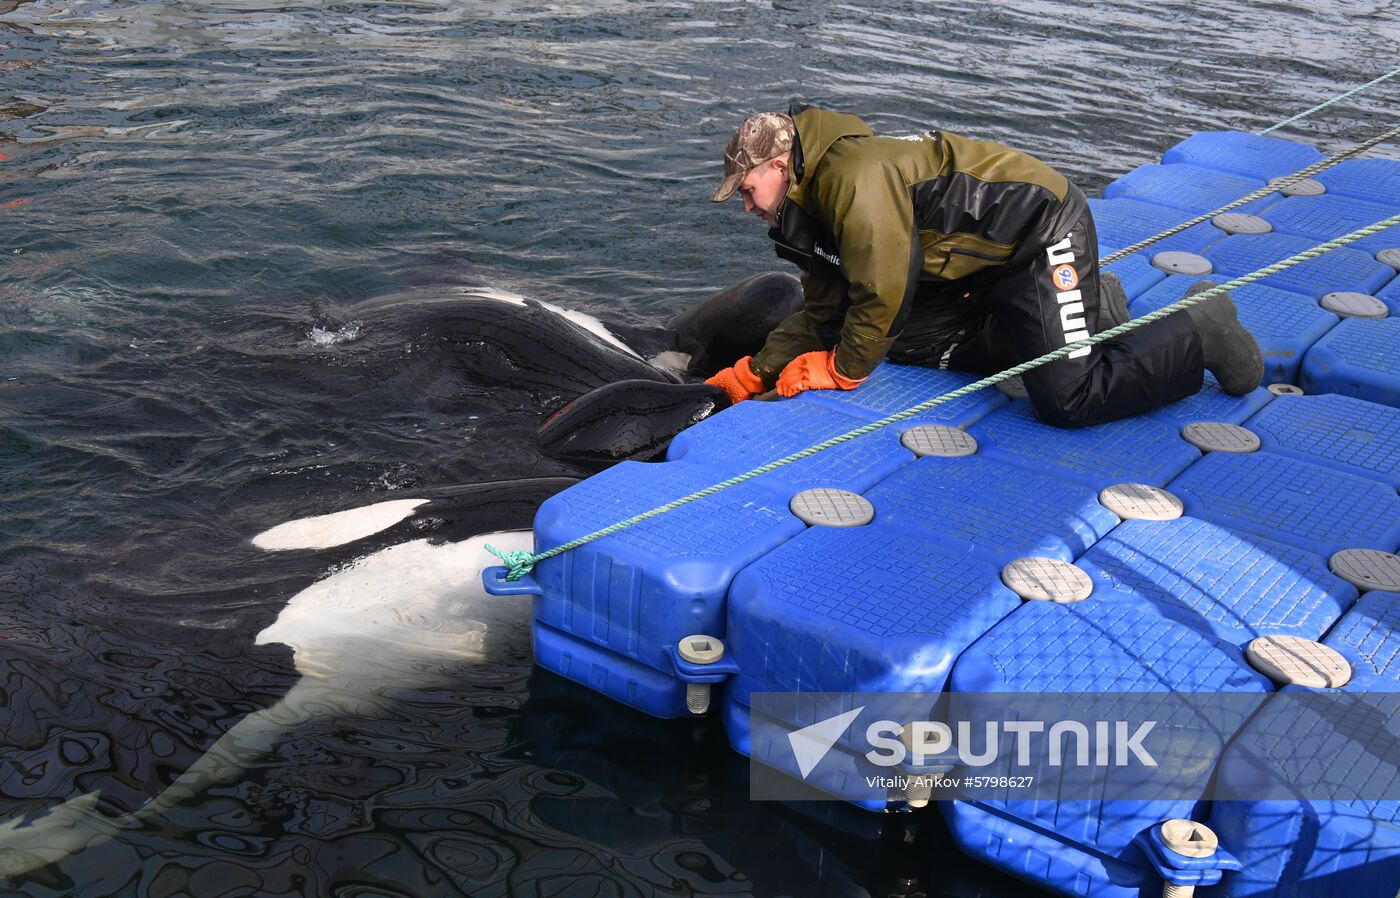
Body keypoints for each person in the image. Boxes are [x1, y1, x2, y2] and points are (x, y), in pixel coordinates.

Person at [704, 105, 1264, 427]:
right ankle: (1087, 311)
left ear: (779, 165)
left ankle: (1202, 330)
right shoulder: (807, 207)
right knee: (904, 341)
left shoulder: (852, 178)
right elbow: (829, 308)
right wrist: (757, 370)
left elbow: (886, 289)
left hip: (1040, 230)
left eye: (749, 191)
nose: (749, 207)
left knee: (1068, 396)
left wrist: (841, 371)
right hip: (976, 267)